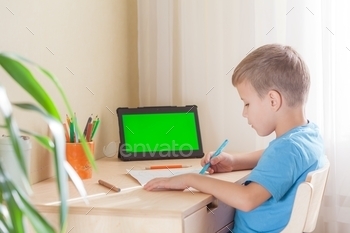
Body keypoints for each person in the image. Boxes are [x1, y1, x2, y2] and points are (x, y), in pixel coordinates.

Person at [144, 44, 326, 233]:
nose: (244, 113)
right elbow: (278, 160)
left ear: (273, 100)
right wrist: (233, 161)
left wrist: (190, 179)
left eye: (247, 103)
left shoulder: (287, 148)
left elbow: (247, 199)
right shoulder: (308, 135)